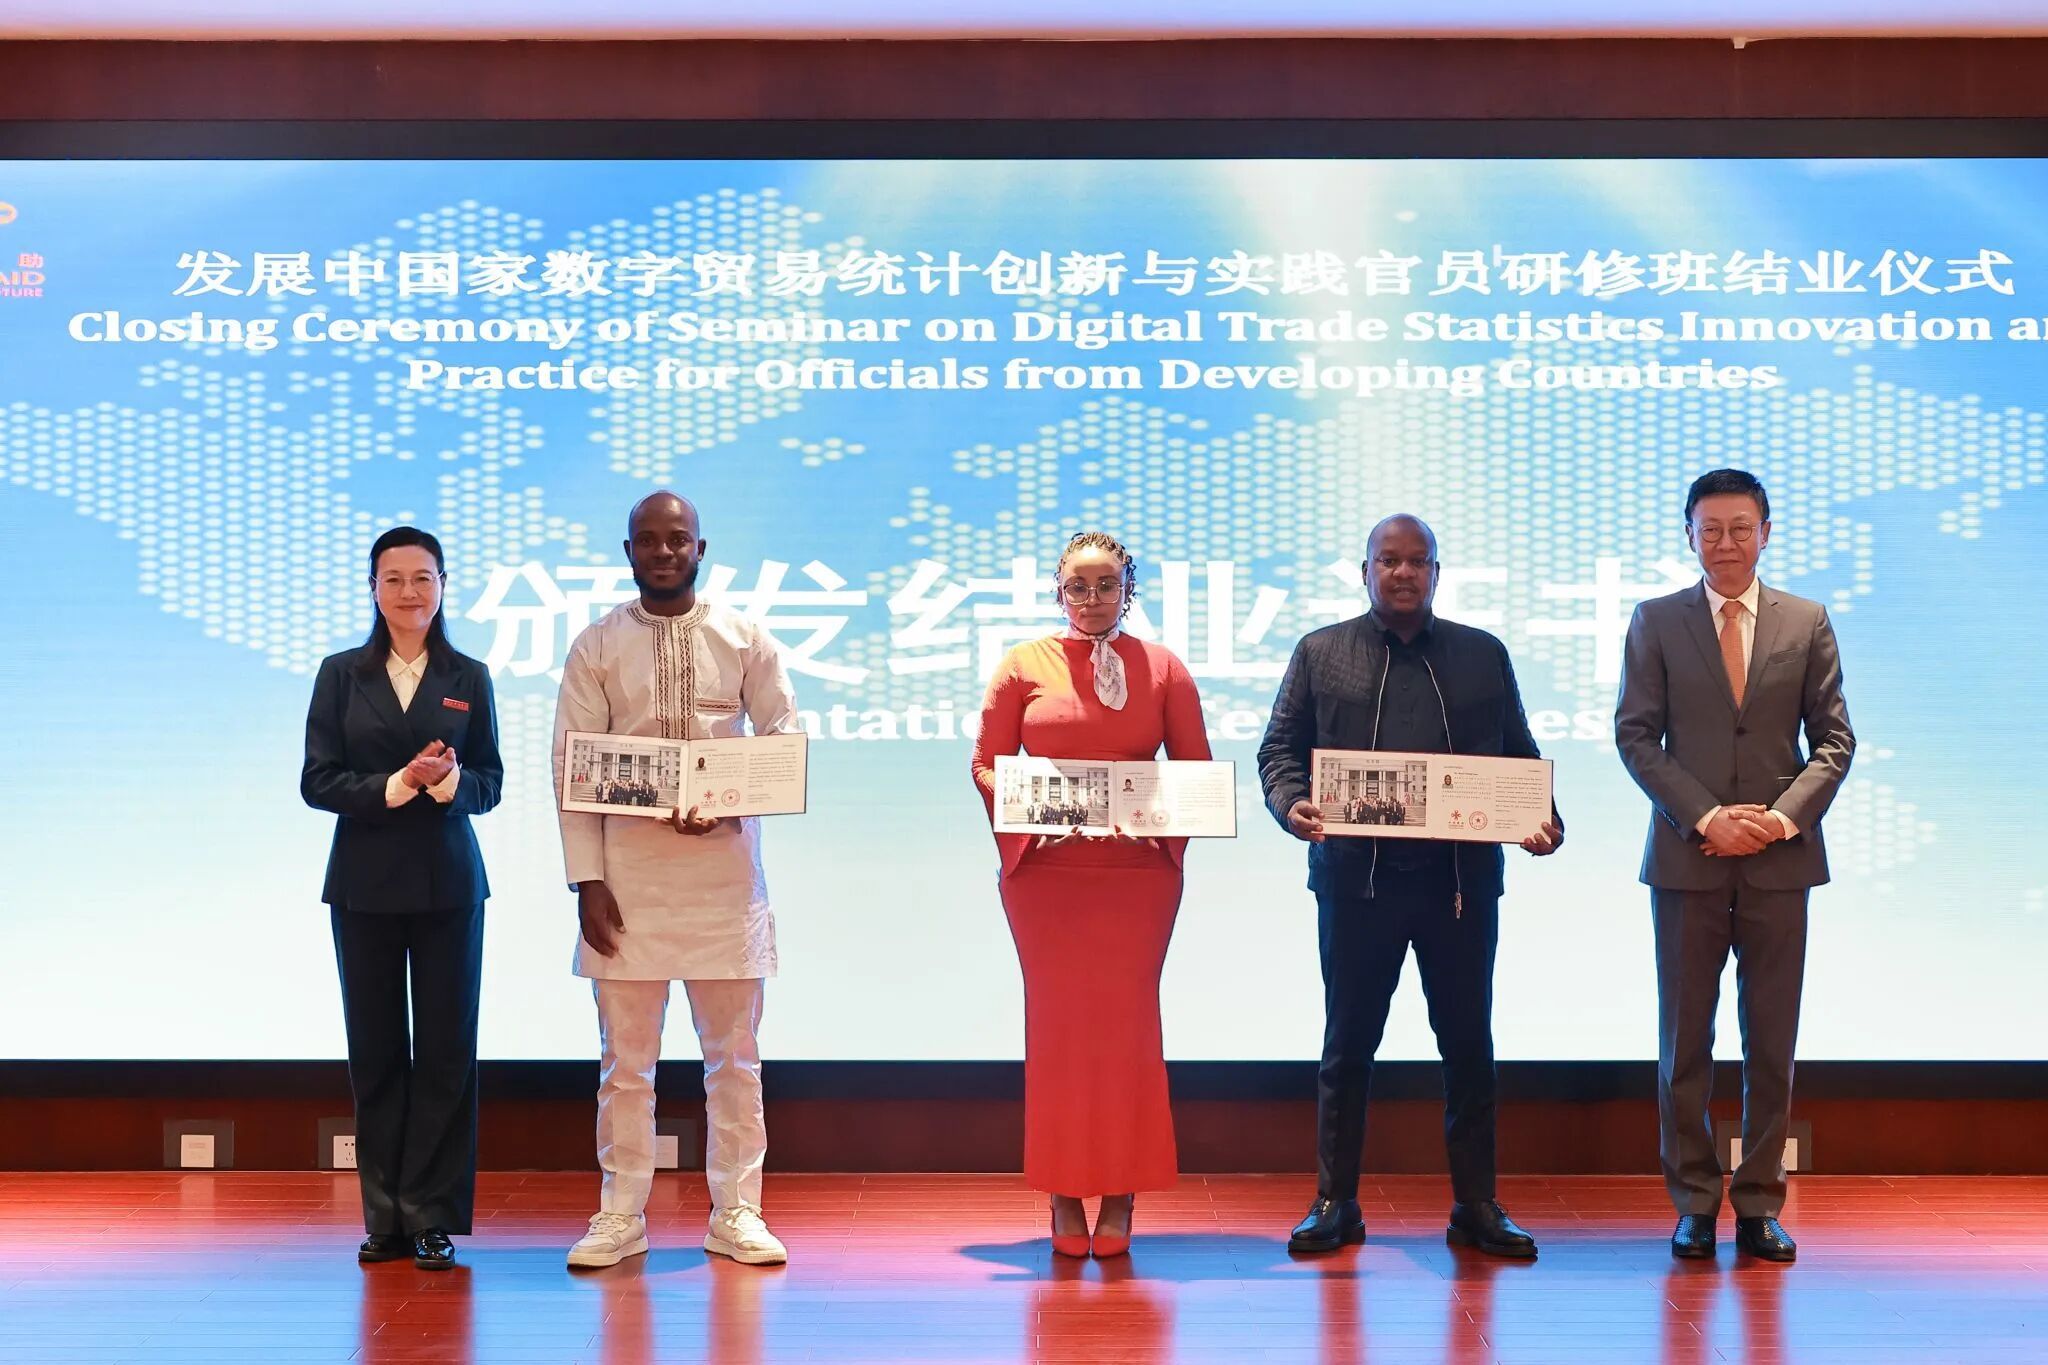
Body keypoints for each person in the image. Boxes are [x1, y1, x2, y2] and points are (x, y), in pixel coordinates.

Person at [1258, 514, 1562, 1259]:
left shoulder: (1481, 654)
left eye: (1416, 561)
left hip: (1458, 888)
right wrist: (1292, 804)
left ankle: (1476, 1205)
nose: (1402, 572)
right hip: (1356, 885)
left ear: (1436, 572)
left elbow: (1518, 758)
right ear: (1365, 570)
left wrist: (1542, 817)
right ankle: (1335, 1201)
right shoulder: (1321, 651)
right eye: (1388, 560)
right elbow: (1279, 752)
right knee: (1347, 1047)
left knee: (1469, 1048)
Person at [553, 491, 799, 1270]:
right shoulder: (597, 644)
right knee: (625, 1065)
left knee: (735, 1059)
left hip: (725, 881)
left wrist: (730, 800)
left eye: (678, 538)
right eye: (649, 540)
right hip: (626, 882)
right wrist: (586, 880)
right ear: (628, 551)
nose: (664, 551)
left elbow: (785, 738)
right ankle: (621, 1211)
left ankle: (738, 1210)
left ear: (701, 548)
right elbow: (569, 764)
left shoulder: (744, 636)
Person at [1615, 469, 1855, 1264]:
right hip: (1687, 860)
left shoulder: (1806, 620)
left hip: (1781, 862)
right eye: (1710, 529)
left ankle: (1759, 1203)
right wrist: (1708, 817)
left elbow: (1834, 741)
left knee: (1771, 1042)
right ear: (1688, 534)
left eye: (1740, 528)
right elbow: (1636, 736)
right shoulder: (1656, 620)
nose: (1725, 543)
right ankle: (1693, 1201)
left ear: (1765, 532)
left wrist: (1778, 821)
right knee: (1684, 1042)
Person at [972, 531, 1212, 1258]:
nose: (1092, 598)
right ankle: (1062, 1192)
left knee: (1127, 1030)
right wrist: (1035, 818)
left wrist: (1151, 820)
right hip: (1048, 875)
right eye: (1077, 586)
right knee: (1059, 1031)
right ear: (1058, 591)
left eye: (1106, 584)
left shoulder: (1163, 667)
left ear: (1128, 589)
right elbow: (986, 764)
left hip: (1137, 875)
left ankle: (1122, 1194)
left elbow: (1196, 772)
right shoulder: (1023, 664)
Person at [301, 526, 503, 1271]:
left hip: (450, 884)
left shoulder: (468, 675)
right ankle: (384, 1216)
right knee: (377, 1051)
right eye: (394, 579)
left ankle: (432, 1216)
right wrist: (397, 784)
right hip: (364, 884)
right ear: (373, 589)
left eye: (423, 577)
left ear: (443, 586)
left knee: (447, 1051)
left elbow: (490, 782)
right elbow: (317, 780)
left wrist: (447, 783)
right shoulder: (341, 674)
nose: (409, 592)